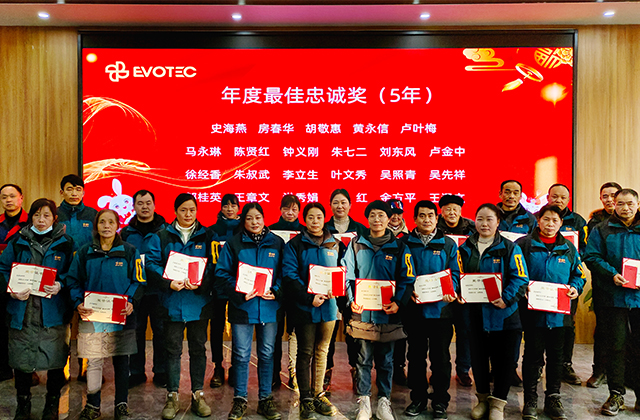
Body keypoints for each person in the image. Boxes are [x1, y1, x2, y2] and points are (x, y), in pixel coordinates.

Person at [66, 209, 145, 420]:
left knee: (121, 362)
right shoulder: (84, 252)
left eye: (111, 222)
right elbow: (72, 280)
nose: (107, 226)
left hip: (121, 316)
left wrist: (130, 301)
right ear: (96, 226)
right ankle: (93, 405)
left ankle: (121, 405)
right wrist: (78, 302)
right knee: (94, 361)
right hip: (92, 316)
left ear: (118, 225)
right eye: (102, 222)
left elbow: (139, 280)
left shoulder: (130, 251)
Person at [0, 199, 74, 420]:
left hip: (53, 312)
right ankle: (23, 404)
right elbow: (3, 268)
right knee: (21, 360)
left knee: (56, 360)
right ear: (30, 217)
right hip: (22, 311)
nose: (41, 220)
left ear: (55, 219)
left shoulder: (66, 243)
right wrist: (11, 289)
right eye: (36, 215)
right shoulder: (18, 240)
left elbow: (75, 273)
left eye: (46, 215)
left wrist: (61, 283)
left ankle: (52, 403)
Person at [146, 193, 216, 420]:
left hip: (198, 303)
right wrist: (168, 281)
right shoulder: (161, 236)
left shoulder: (208, 236)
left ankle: (198, 394)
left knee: (198, 349)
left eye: (192, 210)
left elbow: (215, 265)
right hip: (171, 303)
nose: (188, 214)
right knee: (172, 350)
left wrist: (201, 283)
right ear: (175, 211)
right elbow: (152, 264)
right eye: (183, 210)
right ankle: (172, 395)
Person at [343, 200, 415, 420]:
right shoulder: (356, 244)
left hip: (388, 314)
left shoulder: (400, 247)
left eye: (381, 215)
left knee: (386, 361)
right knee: (363, 359)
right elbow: (347, 275)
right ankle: (364, 401)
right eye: (373, 215)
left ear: (388, 218)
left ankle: (384, 401)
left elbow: (407, 277)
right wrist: (351, 300)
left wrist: (398, 302)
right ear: (367, 219)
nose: (377, 220)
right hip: (363, 313)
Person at [458, 203, 529, 420]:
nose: (484, 223)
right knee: (478, 359)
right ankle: (482, 400)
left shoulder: (510, 248)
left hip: (504, 315)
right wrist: (458, 292)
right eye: (480, 219)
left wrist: (506, 298)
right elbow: (457, 275)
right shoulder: (464, 248)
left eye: (489, 219)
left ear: (498, 222)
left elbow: (520, 278)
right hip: (475, 314)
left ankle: (498, 403)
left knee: (503, 361)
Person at [516, 205, 586, 420]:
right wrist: (523, 287)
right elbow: (515, 273)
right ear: (538, 220)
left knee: (556, 357)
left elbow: (579, 275)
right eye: (546, 219)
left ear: (561, 223)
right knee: (532, 356)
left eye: (555, 220)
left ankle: (553, 398)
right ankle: (530, 399)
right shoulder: (524, 245)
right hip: (533, 313)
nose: (550, 224)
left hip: (559, 314)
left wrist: (575, 288)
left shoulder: (568, 247)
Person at [215, 203, 284, 420]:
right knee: (241, 354)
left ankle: (265, 399)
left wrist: (277, 290)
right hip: (242, 308)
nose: (254, 222)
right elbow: (221, 273)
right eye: (249, 218)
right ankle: (240, 399)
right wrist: (238, 292)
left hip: (269, 308)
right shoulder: (233, 243)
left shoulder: (277, 242)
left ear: (264, 219)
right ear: (243, 221)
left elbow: (285, 273)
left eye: (258, 217)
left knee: (267, 353)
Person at [282, 202, 344, 420]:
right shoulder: (295, 245)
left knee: (323, 351)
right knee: (305, 352)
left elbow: (343, 271)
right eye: (310, 217)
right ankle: (306, 398)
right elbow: (289, 276)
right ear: (304, 219)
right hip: (305, 307)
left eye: (319, 217)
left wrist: (338, 289)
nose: (315, 221)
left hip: (329, 308)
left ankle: (319, 394)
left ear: (324, 218)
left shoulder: (335, 244)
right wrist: (309, 298)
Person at [401, 200, 460, 419]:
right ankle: (417, 399)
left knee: (441, 359)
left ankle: (440, 401)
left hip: (441, 311)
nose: (426, 219)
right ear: (414, 219)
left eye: (430, 215)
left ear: (437, 218)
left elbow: (455, 272)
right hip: (414, 310)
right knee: (415, 357)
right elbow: (401, 273)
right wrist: (408, 291)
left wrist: (451, 289)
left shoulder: (448, 244)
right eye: (422, 215)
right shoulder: (404, 243)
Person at [584, 188, 640, 416]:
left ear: (637, 204)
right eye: (621, 204)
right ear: (614, 205)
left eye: (630, 204)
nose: (625, 208)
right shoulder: (601, 229)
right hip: (613, 297)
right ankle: (616, 394)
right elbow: (591, 256)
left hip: (639, 299)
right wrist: (611, 274)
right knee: (615, 347)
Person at [120, 190, 167, 388]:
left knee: (161, 331)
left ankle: (161, 371)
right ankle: (136, 372)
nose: (145, 207)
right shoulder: (126, 233)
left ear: (154, 205)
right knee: (136, 331)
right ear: (134, 206)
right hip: (135, 291)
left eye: (148, 202)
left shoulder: (166, 231)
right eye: (140, 203)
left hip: (159, 290)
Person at [324, 188, 367, 393]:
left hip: (353, 286)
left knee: (353, 332)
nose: (339, 206)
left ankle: (356, 371)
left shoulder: (361, 229)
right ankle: (325, 371)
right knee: (328, 332)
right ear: (330, 205)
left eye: (343, 202)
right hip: (329, 286)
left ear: (350, 205)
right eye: (335, 202)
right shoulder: (324, 228)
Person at [57, 174, 99, 382]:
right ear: (62, 192)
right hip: (59, 278)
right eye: (69, 189)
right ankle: (62, 370)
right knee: (63, 325)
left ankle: (86, 369)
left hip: (87, 277)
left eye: (78, 189)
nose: (74, 193)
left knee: (87, 324)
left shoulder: (93, 214)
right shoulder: (55, 214)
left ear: (83, 192)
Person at [545, 184, 588, 386]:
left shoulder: (578, 221)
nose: (558, 200)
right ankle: (537, 366)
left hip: (566, 284)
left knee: (567, 326)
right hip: (539, 285)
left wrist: (574, 256)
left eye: (563, 197)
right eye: (555, 196)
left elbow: (586, 249)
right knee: (536, 328)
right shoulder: (537, 218)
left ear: (568, 200)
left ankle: (565, 365)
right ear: (548, 197)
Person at [436, 194, 475, 387]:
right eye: (448, 209)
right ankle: (439, 371)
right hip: (440, 290)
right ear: (441, 211)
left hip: (467, 289)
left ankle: (463, 370)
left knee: (465, 331)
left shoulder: (473, 229)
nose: (452, 212)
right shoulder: (434, 228)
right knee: (440, 335)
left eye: (455, 209)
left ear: (461, 211)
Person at [586, 182, 622, 388]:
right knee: (603, 330)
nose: (610, 200)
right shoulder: (595, 223)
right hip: (605, 285)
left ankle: (625, 375)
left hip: (633, 289)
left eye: (614, 195)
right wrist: (610, 274)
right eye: (605, 196)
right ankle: (599, 370)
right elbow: (591, 255)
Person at [269, 194, 302, 390]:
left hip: (297, 291)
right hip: (276, 291)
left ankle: (294, 374)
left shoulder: (304, 231)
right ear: (280, 209)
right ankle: (274, 375)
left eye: (294, 209)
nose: (290, 212)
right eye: (286, 208)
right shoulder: (270, 230)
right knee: (275, 334)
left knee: (295, 334)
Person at [208, 193, 241, 388]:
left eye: (233, 205)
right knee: (217, 327)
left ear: (238, 208)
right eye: (226, 205)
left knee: (238, 327)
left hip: (239, 286)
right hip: (218, 286)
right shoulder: (212, 231)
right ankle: (218, 367)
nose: (229, 209)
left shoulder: (244, 229)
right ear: (221, 208)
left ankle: (236, 367)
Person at [0, 183, 29, 382]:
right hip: (2, 280)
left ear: (21, 198)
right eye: (4, 197)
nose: (8, 200)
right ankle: (3, 368)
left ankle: (27, 370)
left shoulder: (31, 222)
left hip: (25, 281)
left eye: (12, 196)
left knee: (23, 327)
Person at [385, 198, 408, 385]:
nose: (395, 217)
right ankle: (383, 369)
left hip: (402, 292)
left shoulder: (408, 237)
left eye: (399, 214)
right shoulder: (376, 234)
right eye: (392, 213)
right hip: (381, 291)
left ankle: (399, 368)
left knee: (400, 332)